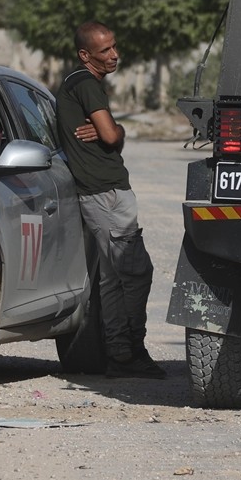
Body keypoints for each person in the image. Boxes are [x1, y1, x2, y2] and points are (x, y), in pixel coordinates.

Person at [56, 21, 165, 379]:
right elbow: (109, 134)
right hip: (106, 192)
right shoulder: (86, 84)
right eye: (105, 51)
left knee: (115, 278)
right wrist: (116, 131)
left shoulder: (77, 85)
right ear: (85, 55)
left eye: (114, 47)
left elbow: (107, 133)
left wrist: (113, 132)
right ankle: (129, 350)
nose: (114, 55)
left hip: (101, 192)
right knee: (136, 274)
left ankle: (120, 352)